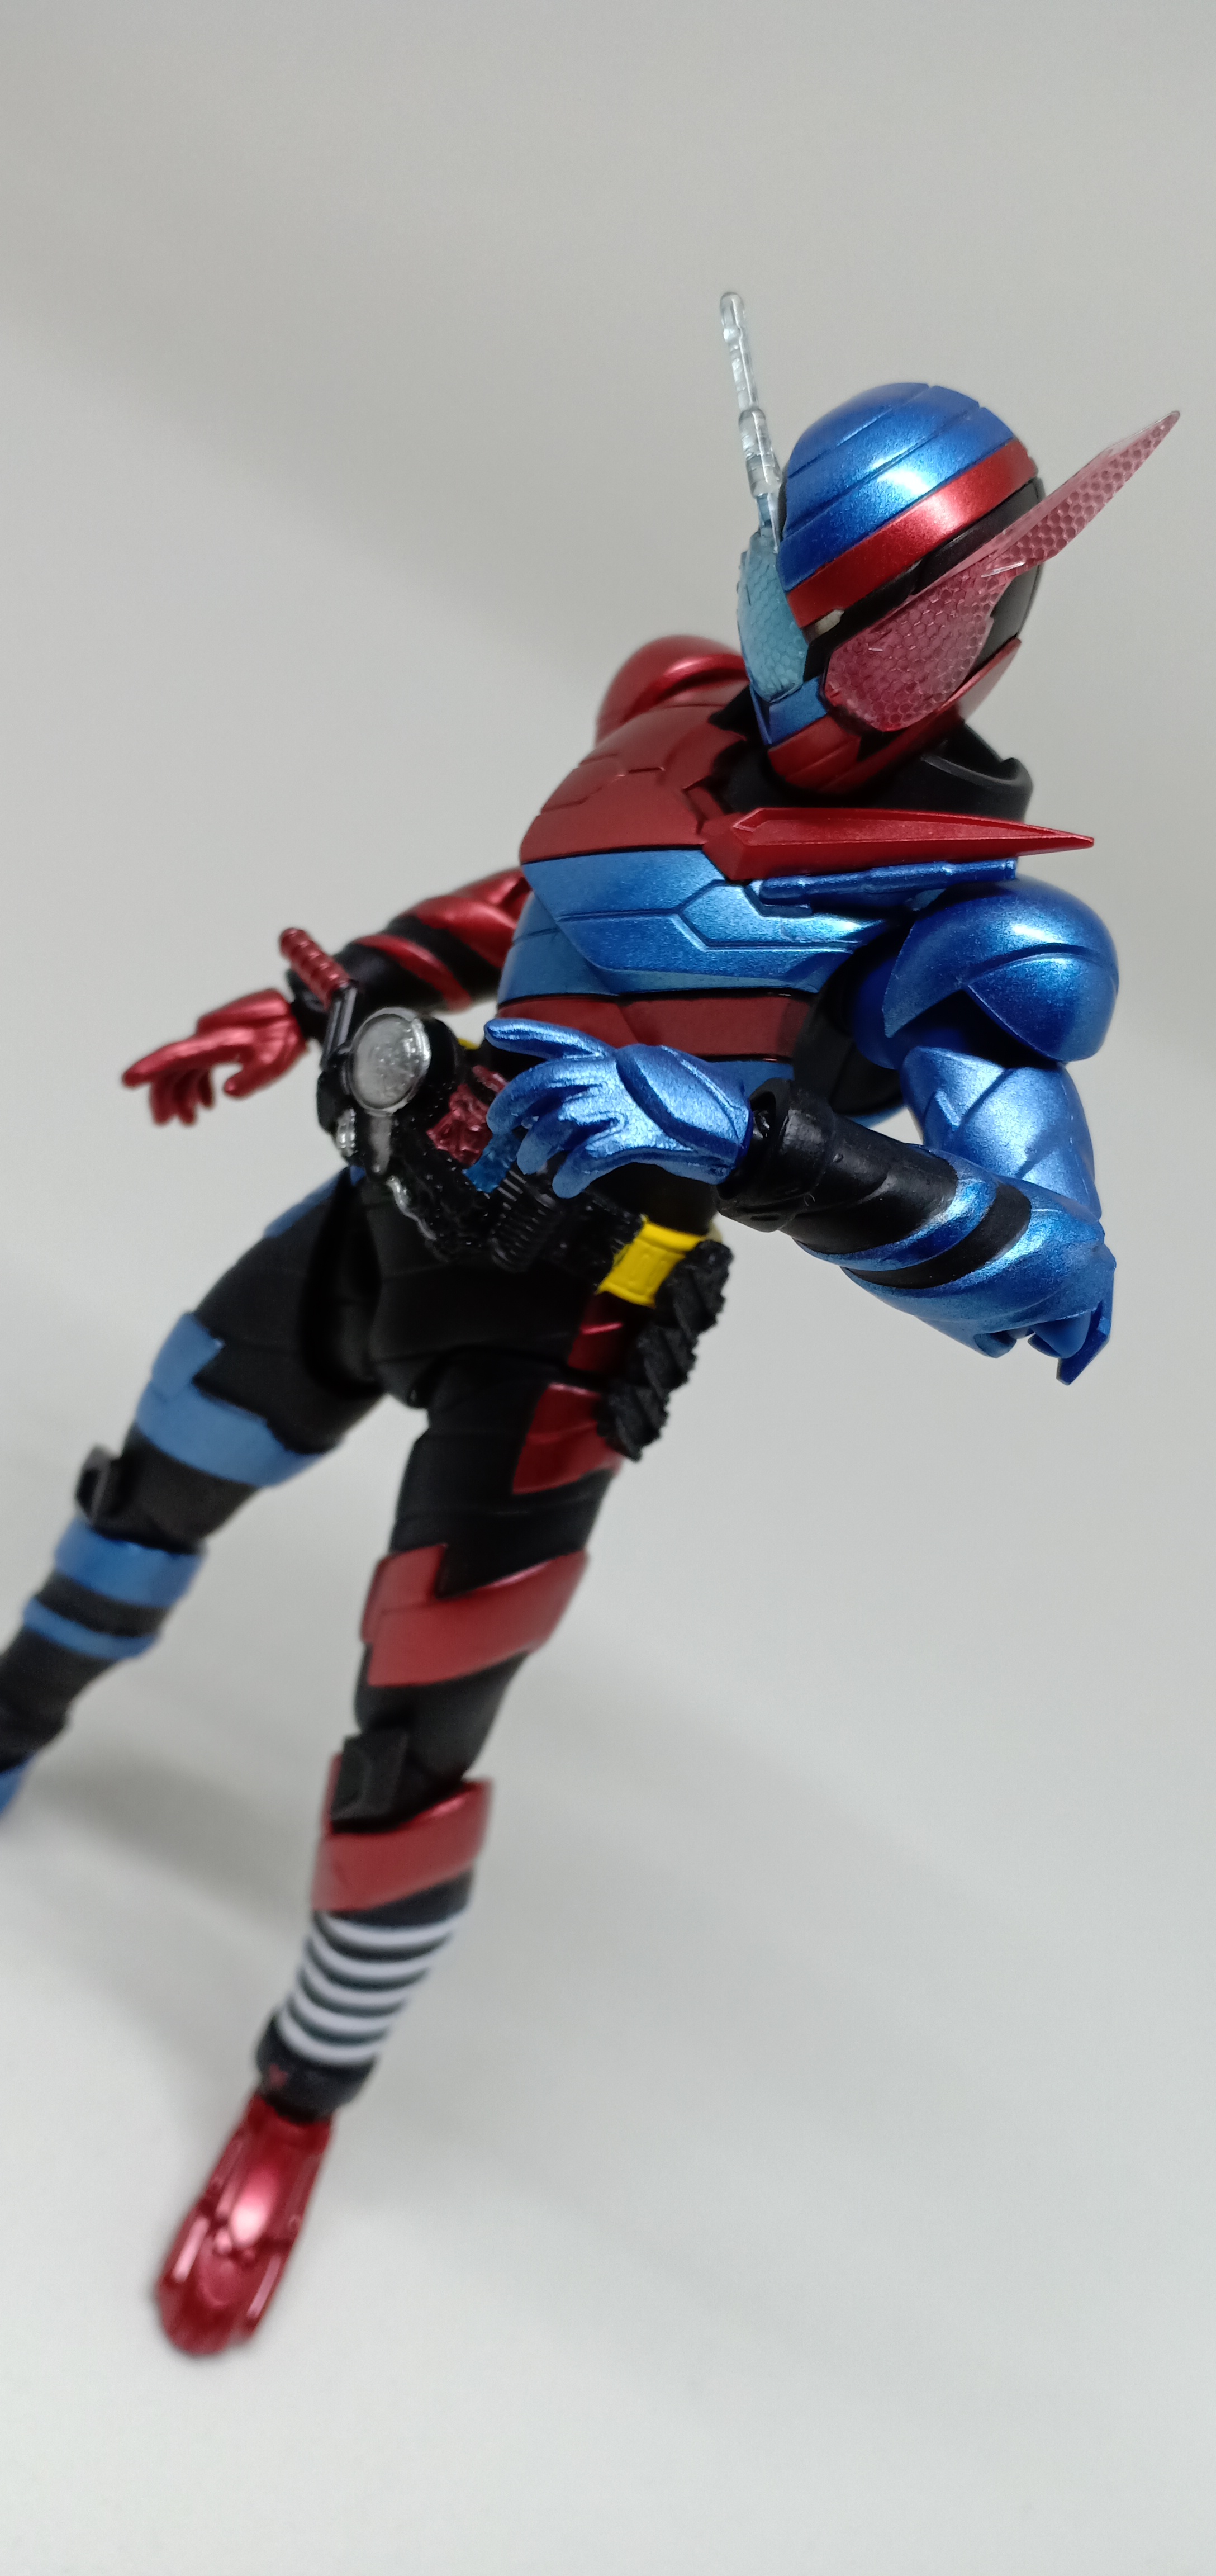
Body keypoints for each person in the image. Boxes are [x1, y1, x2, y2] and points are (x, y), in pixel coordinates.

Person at [0, 307, 1174, 2353]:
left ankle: (296, 2106)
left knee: (409, 1745)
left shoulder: (969, 926)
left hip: (570, 1330)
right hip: (395, 1202)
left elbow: (1056, 1277)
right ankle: (15, 1729)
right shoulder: (676, 717)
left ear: (944, 646)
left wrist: (759, 1143)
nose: (789, 649)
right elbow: (534, 902)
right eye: (783, 586)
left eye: (855, 631)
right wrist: (319, 995)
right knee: (154, 1472)